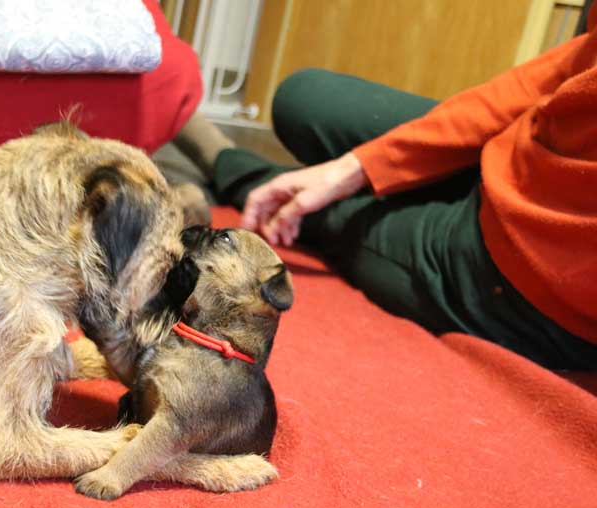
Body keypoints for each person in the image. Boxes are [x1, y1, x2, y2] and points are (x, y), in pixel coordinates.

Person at [174, 6, 597, 370]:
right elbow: (554, 74)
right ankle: (360, 180)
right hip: (521, 152)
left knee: (317, 214)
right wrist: (357, 167)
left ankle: (223, 160)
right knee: (303, 100)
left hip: (531, 264)